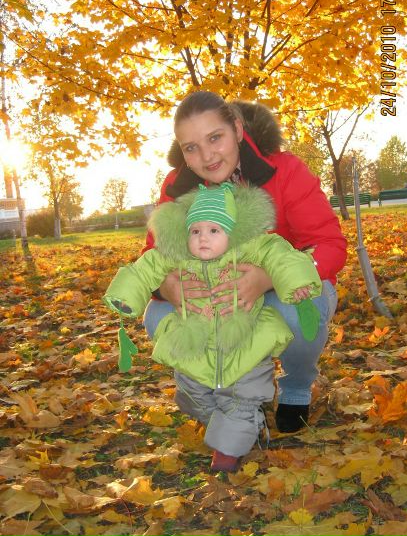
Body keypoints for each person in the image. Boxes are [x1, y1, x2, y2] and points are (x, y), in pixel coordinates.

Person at [143, 91, 347, 433]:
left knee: (296, 311)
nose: (207, 156)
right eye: (191, 147)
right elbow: (153, 255)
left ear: (237, 129)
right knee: (157, 316)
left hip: (283, 286)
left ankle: (296, 386)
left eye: (215, 138)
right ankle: (226, 398)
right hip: (216, 293)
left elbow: (331, 245)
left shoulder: (285, 170)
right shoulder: (177, 186)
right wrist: (166, 286)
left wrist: (269, 277)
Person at [104, 182, 322, 471]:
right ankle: (239, 425)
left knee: (243, 398)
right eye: (195, 231)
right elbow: (143, 269)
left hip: (244, 341)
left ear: (232, 232)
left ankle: (228, 451)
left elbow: (282, 257)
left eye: (214, 230)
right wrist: (125, 296)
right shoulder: (177, 255)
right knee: (191, 396)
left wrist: (297, 281)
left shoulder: (249, 248)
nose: (202, 238)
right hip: (195, 342)